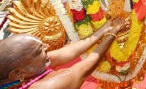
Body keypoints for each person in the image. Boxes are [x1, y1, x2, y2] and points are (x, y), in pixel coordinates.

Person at [0, 18, 130, 89]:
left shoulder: (23, 69)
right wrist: (113, 32)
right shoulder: (47, 87)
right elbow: (85, 66)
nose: (48, 46)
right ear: (17, 73)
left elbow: (67, 52)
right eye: (39, 51)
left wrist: (105, 28)